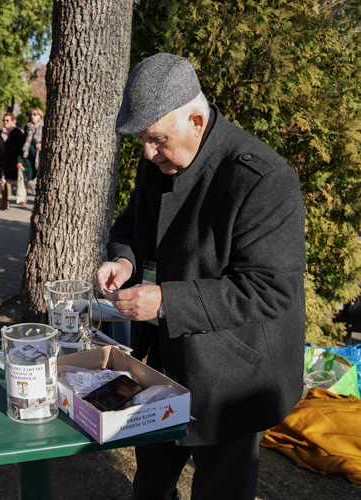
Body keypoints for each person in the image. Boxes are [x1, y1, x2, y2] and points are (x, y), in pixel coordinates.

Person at [95, 53, 306, 499]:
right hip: (165, 365)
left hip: (233, 377)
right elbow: (131, 226)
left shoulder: (263, 179)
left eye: (157, 140)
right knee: (150, 485)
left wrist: (166, 301)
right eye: (144, 142)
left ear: (196, 119)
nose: (149, 153)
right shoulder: (159, 159)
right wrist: (125, 262)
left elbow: (269, 291)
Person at [0, 112, 23, 210]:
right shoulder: (1, 133)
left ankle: (23, 197)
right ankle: (5, 203)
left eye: (7, 120)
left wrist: (20, 160)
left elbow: (21, 147)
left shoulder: (17, 133)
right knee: (2, 182)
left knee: (18, 182)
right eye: (4, 120)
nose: (5, 122)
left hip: (13, 162)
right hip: (2, 162)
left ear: (12, 121)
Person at [18, 107, 43, 198]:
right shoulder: (27, 129)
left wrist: (41, 144)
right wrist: (19, 160)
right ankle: (38, 198)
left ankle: (39, 200)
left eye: (35, 114)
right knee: (29, 182)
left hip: (40, 158)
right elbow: (22, 145)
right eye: (31, 114)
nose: (32, 116)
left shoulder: (44, 127)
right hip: (29, 159)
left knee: (38, 180)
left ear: (40, 116)